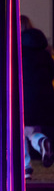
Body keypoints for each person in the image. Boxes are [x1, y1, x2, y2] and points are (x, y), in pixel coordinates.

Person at [20, 16, 54, 175]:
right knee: (30, 131)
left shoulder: (15, 53)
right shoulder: (45, 54)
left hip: (21, 101)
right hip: (44, 102)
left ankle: (26, 167)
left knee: (17, 132)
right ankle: (42, 141)